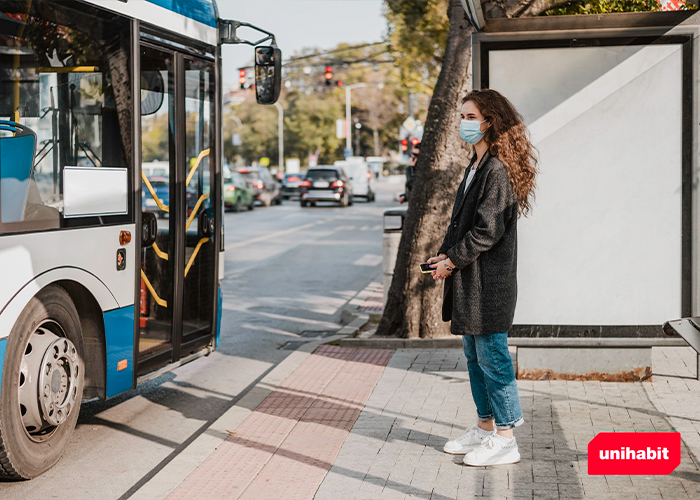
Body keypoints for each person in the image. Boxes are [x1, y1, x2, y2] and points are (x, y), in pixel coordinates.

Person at [428, 89, 537, 467]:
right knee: (475, 357)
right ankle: (484, 427)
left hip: (488, 285)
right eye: (462, 116)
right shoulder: (475, 166)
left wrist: (452, 263)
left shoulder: (496, 170)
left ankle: (506, 438)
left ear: (490, 121)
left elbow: (487, 231)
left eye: (470, 117)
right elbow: (461, 223)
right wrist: (444, 253)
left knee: (493, 358)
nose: (463, 124)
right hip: (470, 282)